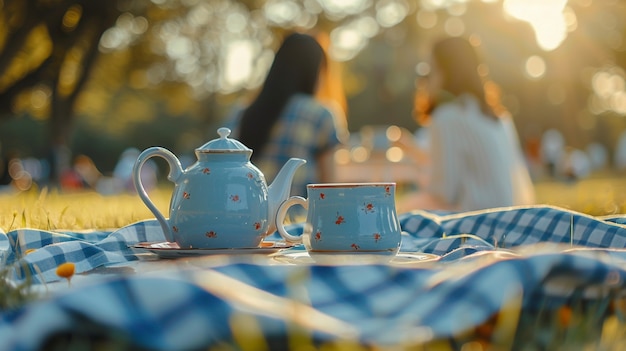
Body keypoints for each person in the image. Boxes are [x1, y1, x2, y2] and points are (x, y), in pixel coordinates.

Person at [396, 36, 535, 212]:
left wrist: (400, 207)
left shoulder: (447, 117)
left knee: (397, 215)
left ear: (444, 72)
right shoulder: (496, 116)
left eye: (429, 71)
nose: (424, 80)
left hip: (477, 223)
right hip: (509, 218)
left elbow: (442, 193)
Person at [225, 32, 348, 197]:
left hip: (246, 216)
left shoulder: (241, 113)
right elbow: (330, 188)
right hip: (297, 218)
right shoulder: (321, 116)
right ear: (315, 72)